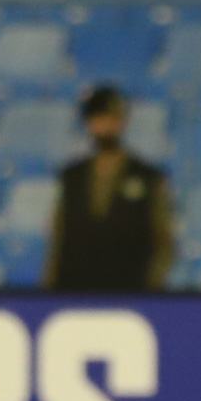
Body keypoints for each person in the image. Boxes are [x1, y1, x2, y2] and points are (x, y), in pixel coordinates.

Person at [46, 85, 174, 292]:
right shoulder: (72, 177)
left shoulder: (147, 177)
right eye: (99, 118)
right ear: (88, 123)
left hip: (131, 294)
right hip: (76, 295)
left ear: (122, 121)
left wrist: (152, 288)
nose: (105, 125)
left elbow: (164, 241)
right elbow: (58, 240)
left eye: (112, 118)